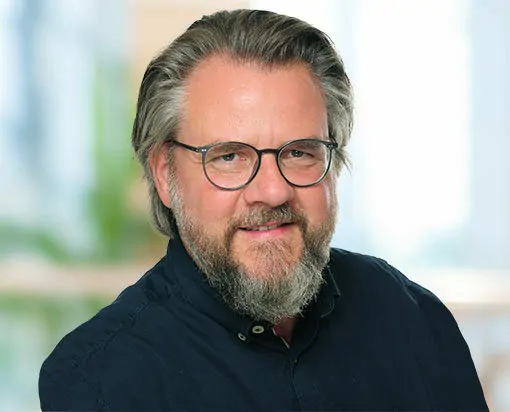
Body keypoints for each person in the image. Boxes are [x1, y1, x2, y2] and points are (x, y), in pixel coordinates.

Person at [39, 9, 488, 411]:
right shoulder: (99, 380)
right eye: (229, 156)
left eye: (299, 152)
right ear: (163, 174)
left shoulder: (413, 319)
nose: (273, 192)